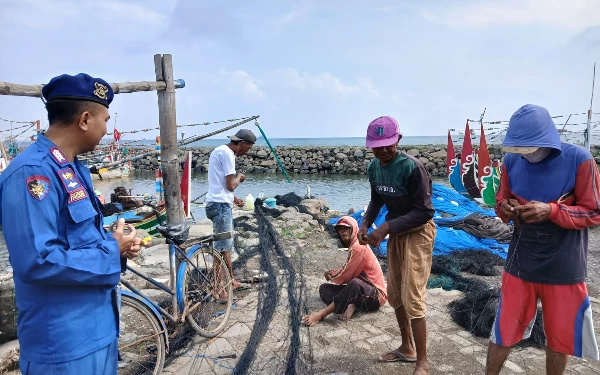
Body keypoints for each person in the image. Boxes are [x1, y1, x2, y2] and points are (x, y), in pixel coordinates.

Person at [0, 73, 144, 374]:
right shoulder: (33, 173)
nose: (107, 129)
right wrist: (109, 250)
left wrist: (118, 246)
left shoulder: (73, 168)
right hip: (63, 345)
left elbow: (79, 238)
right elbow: (37, 261)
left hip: (98, 329)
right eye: (105, 120)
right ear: (85, 119)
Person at [486, 104, 600, 375]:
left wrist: (551, 210)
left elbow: (594, 211)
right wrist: (505, 209)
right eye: (519, 148)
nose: (525, 154)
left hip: (565, 266)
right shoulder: (511, 161)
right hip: (521, 263)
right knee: (504, 328)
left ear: (547, 140)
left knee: (560, 336)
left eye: (530, 148)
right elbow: (501, 200)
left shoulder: (580, 159)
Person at [357, 116, 436, 375]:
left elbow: (425, 212)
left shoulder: (412, 168)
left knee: (413, 295)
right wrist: (366, 222)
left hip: (418, 233)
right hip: (397, 232)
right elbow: (376, 200)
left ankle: (422, 361)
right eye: (376, 146)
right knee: (395, 294)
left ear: (398, 140)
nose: (382, 151)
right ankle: (407, 347)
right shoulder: (374, 168)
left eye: (387, 145)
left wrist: (386, 228)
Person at [301, 216, 387, 326]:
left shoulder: (358, 246)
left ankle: (321, 314)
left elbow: (346, 275)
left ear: (354, 229)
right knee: (324, 289)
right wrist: (332, 273)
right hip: (360, 292)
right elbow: (347, 267)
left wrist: (332, 275)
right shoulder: (353, 246)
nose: (342, 231)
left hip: (375, 295)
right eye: (339, 229)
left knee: (354, 283)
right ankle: (351, 303)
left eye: (345, 228)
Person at [205, 129, 256, 301]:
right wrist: (239, 178)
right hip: (220, 207)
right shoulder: (228, 154)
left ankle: (231, 281)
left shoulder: (220, 151)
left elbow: (220, 184)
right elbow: (229, 185)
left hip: (218, 203)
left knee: (226, 246)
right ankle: (219, 290)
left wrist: (234, 199)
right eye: (247, 148)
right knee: (221, 249)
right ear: (241, 143)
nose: (246, 152)